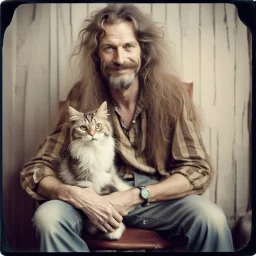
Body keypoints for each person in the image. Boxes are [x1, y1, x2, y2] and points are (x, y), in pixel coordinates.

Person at [20, 4, 234, 252]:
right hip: (90, 196)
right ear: (97, 55)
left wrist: (136, 195)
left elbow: (197, 170)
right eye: (109, 48)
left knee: (212, 220)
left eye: (128, 46)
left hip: (152, 196)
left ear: (144, 50)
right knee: (48, 218)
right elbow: (36, 169)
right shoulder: (81, 95)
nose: (120, 59)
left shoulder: (173, 95)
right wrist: (74, 195)